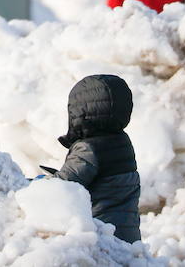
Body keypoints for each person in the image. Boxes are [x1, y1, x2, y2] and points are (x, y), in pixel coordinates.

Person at [40, 74, 142, 243]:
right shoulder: (122, 142)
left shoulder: (88, 148)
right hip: (127, 237)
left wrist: (37, 183)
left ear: (82, 112)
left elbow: (63, 187)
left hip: (102, 237)